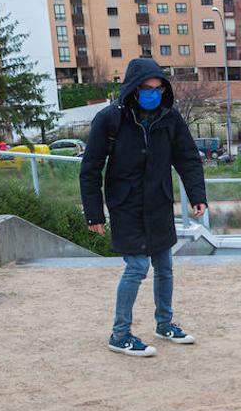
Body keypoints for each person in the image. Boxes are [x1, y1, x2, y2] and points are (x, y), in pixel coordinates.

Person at [79, 57, 208, 357]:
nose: (153, 93)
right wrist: (94, 213)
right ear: (133, 90)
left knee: (165, 266)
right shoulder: (110, 119)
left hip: (159, 202)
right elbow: (90, 169)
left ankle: (164, 324)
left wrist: (196, 195)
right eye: (147, 88)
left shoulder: (170, 118)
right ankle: (119, 333)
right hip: (126, 205)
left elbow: (188, 158)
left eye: (158, 88)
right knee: (137, 267)